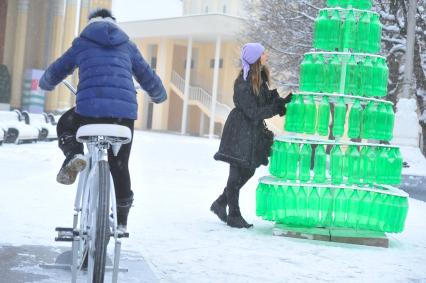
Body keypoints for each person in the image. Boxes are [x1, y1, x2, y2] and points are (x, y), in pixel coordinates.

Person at [39, 9, 167, 231]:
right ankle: (123, 220)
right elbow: (148, 76)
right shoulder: (127, 45)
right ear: (114, 24)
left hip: (89, 113)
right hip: (122, 116)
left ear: (90, 23)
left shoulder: (82, 43)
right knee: (120, 164)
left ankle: (74, 153)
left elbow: (57, 70)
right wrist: (158, 95)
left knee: (65, 124)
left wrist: (46, 84)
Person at [212, 43, 292, 228]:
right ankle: (234, 214)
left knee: (249, 170)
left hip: (251, 132)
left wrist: (282, 101)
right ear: (255, 58)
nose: (267, 55)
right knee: (237, 171)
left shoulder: (259, 79)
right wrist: (275, 108)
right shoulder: (243, 83)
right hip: (239, 130)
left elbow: (265, 101)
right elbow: (253, 112)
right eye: (263, 53)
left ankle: (221, 203)